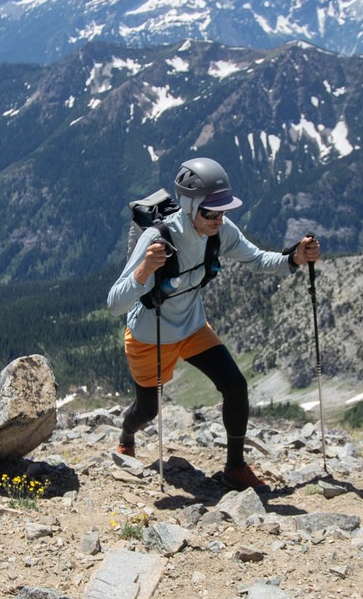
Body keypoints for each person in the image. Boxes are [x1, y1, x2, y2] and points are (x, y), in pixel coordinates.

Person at [107, 157, 321, 491]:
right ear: (190, 205)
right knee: (147, 410)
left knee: (235, 386)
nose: (218, 219)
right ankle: (126, 434)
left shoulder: (220, 231)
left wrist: (294, 258)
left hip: (193, 328)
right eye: (211, 213)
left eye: (222, 211)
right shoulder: (157, 238)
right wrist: (143, 270)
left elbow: (257, 258)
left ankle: (235, 468)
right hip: (150, 337)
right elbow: (114, 303)